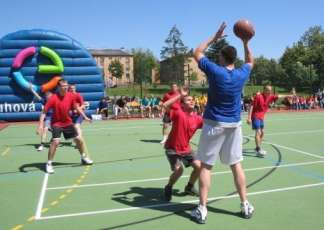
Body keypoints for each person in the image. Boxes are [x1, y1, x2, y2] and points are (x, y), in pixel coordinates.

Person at [190, 22, 254, 224]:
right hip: (234, 125)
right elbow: (251, 61)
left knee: (206, 167)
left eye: (219, 55)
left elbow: (197, 51)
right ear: (234, 58)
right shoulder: (241, 73)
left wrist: (214, 37)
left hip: (214, 124)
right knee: (236, 166)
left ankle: (202, 208)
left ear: (222, 57)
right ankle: (245, 205)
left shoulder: (215, 72)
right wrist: (245, 42)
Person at [37, 79, 93, 174]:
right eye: (63, 86)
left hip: (67, 122)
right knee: (56, 141)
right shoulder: (53, 98)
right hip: (56, 123)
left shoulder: (71, 96)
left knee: (79, 139)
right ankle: (49, 163)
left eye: (66, 85)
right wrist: (40, 125)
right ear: (59, 87)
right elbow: (43, 112)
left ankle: (83, 157)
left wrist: (85, 117)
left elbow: (76, 108)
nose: (66, 87)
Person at [163, 87, 203, 201]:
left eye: (192, 100)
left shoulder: (198, 119)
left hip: (186, 149)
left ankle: (189, 187)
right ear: (182, 105)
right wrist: (180, 95)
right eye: (188, 100)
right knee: (179, 170)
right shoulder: (178, 113)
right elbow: (165, 105)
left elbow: (210, 127)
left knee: (199, 167)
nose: (191, 101)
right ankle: (169, 187)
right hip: (172, 149)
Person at [247, 85, 279, 157]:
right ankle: (258, 150)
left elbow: (279, 96)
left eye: (270, 90)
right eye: (268, 90)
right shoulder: (258, 96)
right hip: (255, 116)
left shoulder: (270, 96)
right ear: (264, 90)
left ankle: (257, 147)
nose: (270, 92)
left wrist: (292, 94)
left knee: (262, 133)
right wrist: (249, 117)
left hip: (261, 117)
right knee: (258, 132)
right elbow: (251, 106)